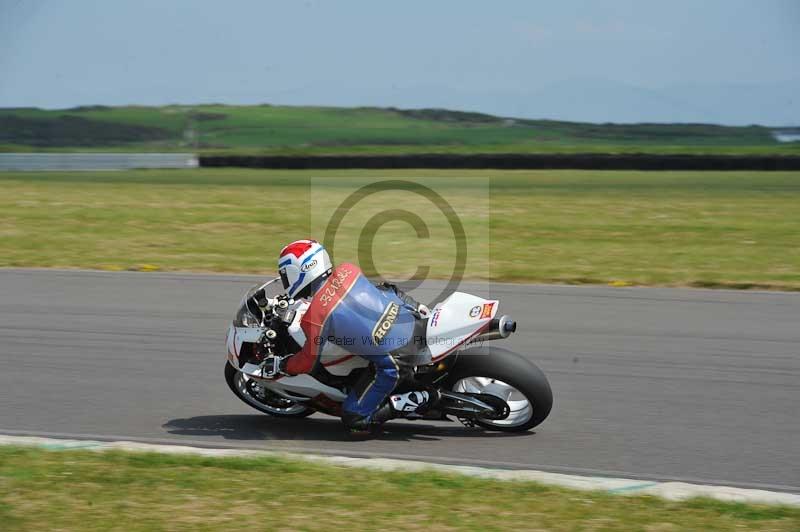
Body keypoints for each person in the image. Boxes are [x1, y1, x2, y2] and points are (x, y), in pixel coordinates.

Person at [273, 239, 434, 435]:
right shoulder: (348, 270)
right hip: (413, 321)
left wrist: (283, 365)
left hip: (396, 359)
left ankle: (423, 397)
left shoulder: (314, 317)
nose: (285, 281)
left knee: (353, 418)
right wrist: (416, 306)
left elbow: (307, 361)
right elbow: (386, 289)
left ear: (299, 271)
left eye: (285, 275)